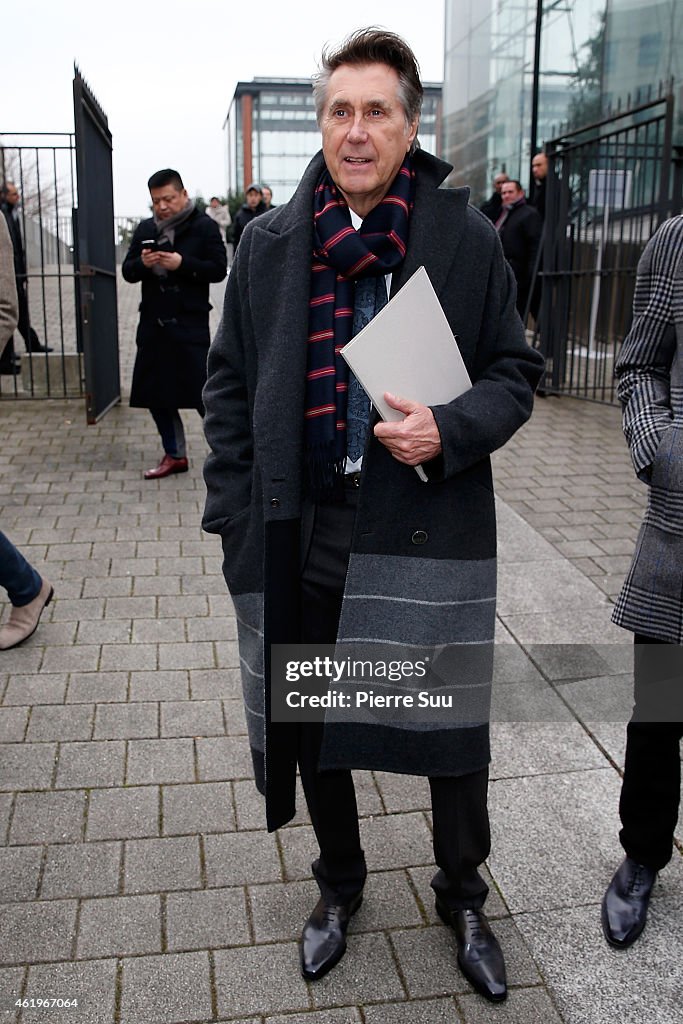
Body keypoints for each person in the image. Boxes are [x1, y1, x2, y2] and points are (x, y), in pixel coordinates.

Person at [202, 27, 543, 1003]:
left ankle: (461, 892)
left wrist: (451, 425)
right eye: (338, 111)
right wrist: (233, 523)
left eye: (376, 111)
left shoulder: (460, 239)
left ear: (408, 123)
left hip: (422, 528)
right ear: (321, 122)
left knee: (446, 730)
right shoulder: (271, 245)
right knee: (311, 725)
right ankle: (340, 883)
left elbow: (516, 372)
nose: (356, 131)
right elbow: (226, 389)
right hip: (303, 530)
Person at [602, 215, 683, 949]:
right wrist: (662, 452)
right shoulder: (676, 241)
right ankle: (641, 856)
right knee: (659, 709)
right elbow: (639, 364)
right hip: (679, 530)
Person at [122, 168, 227, 479]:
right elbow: (128, 271)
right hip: (153, 325)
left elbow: (218, 269)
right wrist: (143, 263)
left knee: (204, 395)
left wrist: (182, 264)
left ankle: (228, 455)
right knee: (155, 395)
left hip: (189, 324)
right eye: (156, 201)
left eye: (168, 198)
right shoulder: (144, 229)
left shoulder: (204, 226)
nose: (162, 206)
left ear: (183, 195)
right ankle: (175, 454)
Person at [0, 180, 52, 373]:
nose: (17, 198)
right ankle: (14, 356)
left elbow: (14, 250)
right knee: (14, 314)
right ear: (4, 195)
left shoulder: (9, 215)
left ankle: (29, 347)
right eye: (13, 194)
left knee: (16, 314)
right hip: (11, 274)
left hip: (14, 274)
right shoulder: (5, 214)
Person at [496, 179, 542, 319]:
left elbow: (535, 245)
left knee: (531, 314)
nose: (506, 195)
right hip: (509, 274)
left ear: (520, 193)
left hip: (523, 276)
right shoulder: (505, 213)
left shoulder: (528, 214)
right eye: (504, 193)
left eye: (510, 192)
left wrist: (531, 273)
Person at [232, 183, 265, 249]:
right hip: (245, 252)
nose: (253, 198)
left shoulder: (266, 213)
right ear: (246, 196)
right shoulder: (240, 215)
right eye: (250, 195)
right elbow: (235, 238)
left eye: (256, 195)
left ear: (260, 197)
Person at [530, 152, 548, 221]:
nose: (534, 169)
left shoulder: (556, 186)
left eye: (539, 165)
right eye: (533, 166)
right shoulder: (536, 185)